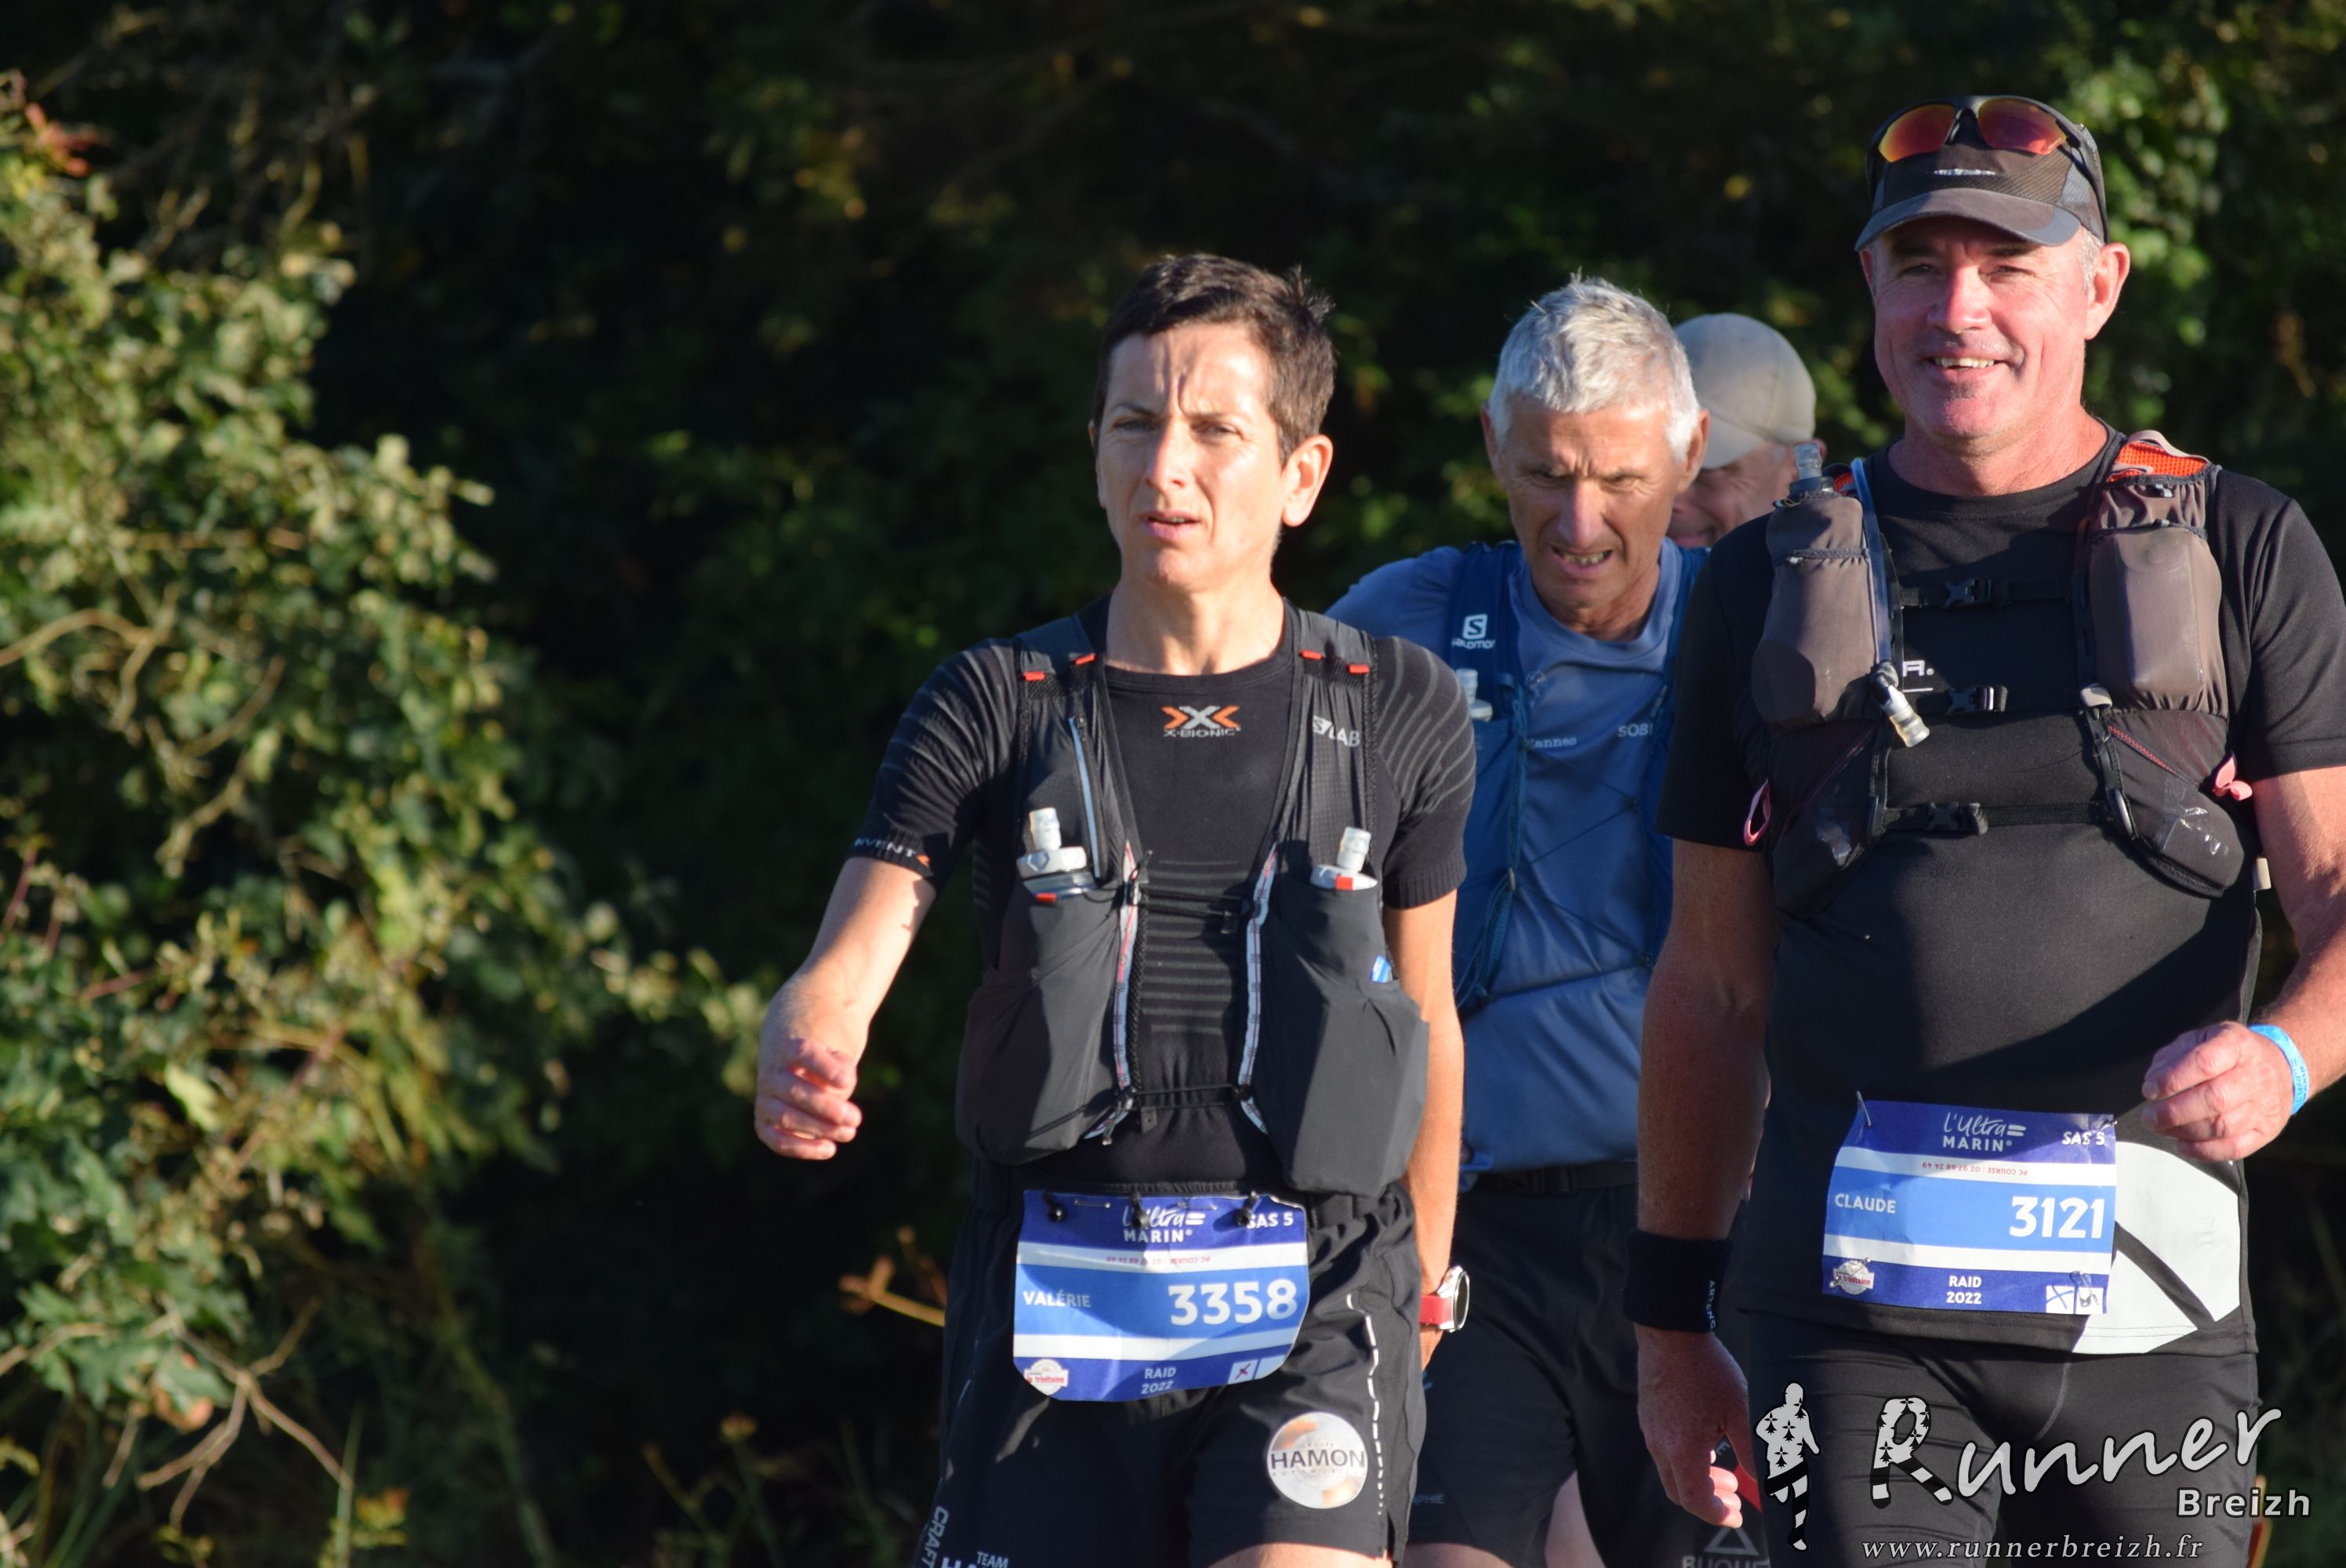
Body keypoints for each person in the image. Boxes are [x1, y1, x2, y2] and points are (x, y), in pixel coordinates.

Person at [1633, 93, 2346, 1565]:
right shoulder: (1758, 580)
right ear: (1871, 286)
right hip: (1844, 1328)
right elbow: (1708, 985)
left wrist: (2286, 1056)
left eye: (2007, 266)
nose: (1958, 311)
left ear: (2099, 285)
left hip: (2151, 1320)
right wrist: (1667, 1327)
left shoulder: (2244, 546)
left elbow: (2337, 892)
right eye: (1920, 267)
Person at [755, 253, 1477, 1568]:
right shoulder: (994, 701)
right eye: (1135, 424)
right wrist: (808, 1039)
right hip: (1056, 1311)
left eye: (1214, 430)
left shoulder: (1402, 708)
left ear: (1302, 473)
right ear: (1093, 450)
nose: (1165, 468)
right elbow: (847, 960)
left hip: (1315, 1304)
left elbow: (1426, 1010)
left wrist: (1425, 1276)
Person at [1331, 279, 1758, 1568]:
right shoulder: (1403, 625)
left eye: (1620, 480)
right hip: (1473, 1230)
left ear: (1689, 454)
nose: (1579, 525)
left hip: (1713, 1226)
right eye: (1545, 475)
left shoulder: (1768, 626)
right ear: (1491, 446)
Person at [1667, 314, 1818, 548]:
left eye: (1707, 471)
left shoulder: (1858, 569)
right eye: (1654, 470)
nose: (1670, 500)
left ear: (1798, 472)